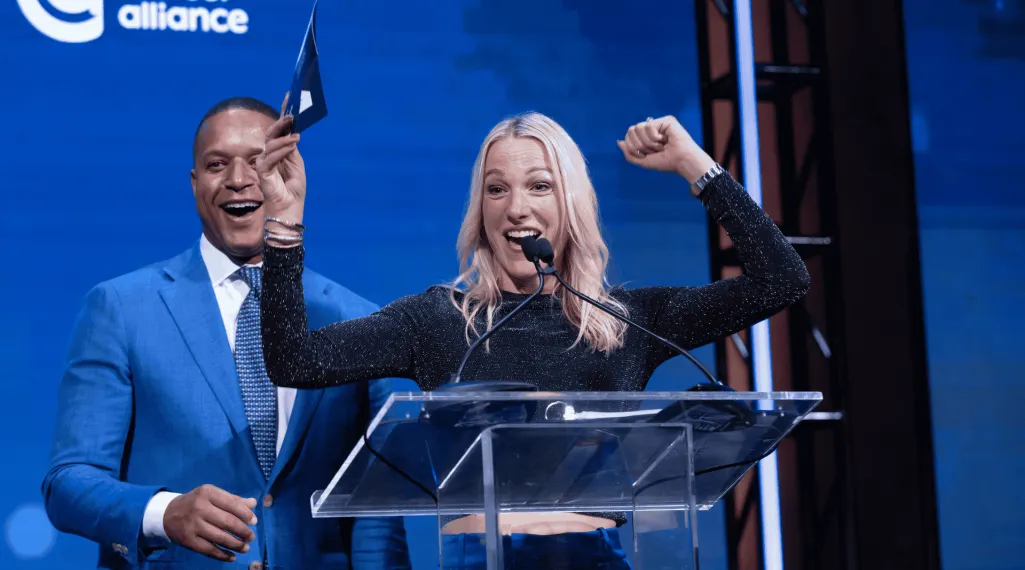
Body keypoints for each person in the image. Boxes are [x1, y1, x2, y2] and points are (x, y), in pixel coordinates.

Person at [255, 111, 811, 568]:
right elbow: (295, 360)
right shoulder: (438, 320)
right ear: (481, 208)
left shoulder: (626, 321)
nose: (516, 207)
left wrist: (695, 164)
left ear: (570, 202)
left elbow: (782, 280)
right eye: (497, 189)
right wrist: (283, 224)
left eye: (539, 185)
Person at [42, 96, 410, 570]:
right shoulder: (121, 308)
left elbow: (376, 515)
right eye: (217, 164)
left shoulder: (356, 319)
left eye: (258, 161)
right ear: (195, 184)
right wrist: (164, 512)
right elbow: (69, 482)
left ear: (288, 171)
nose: (239, 179)